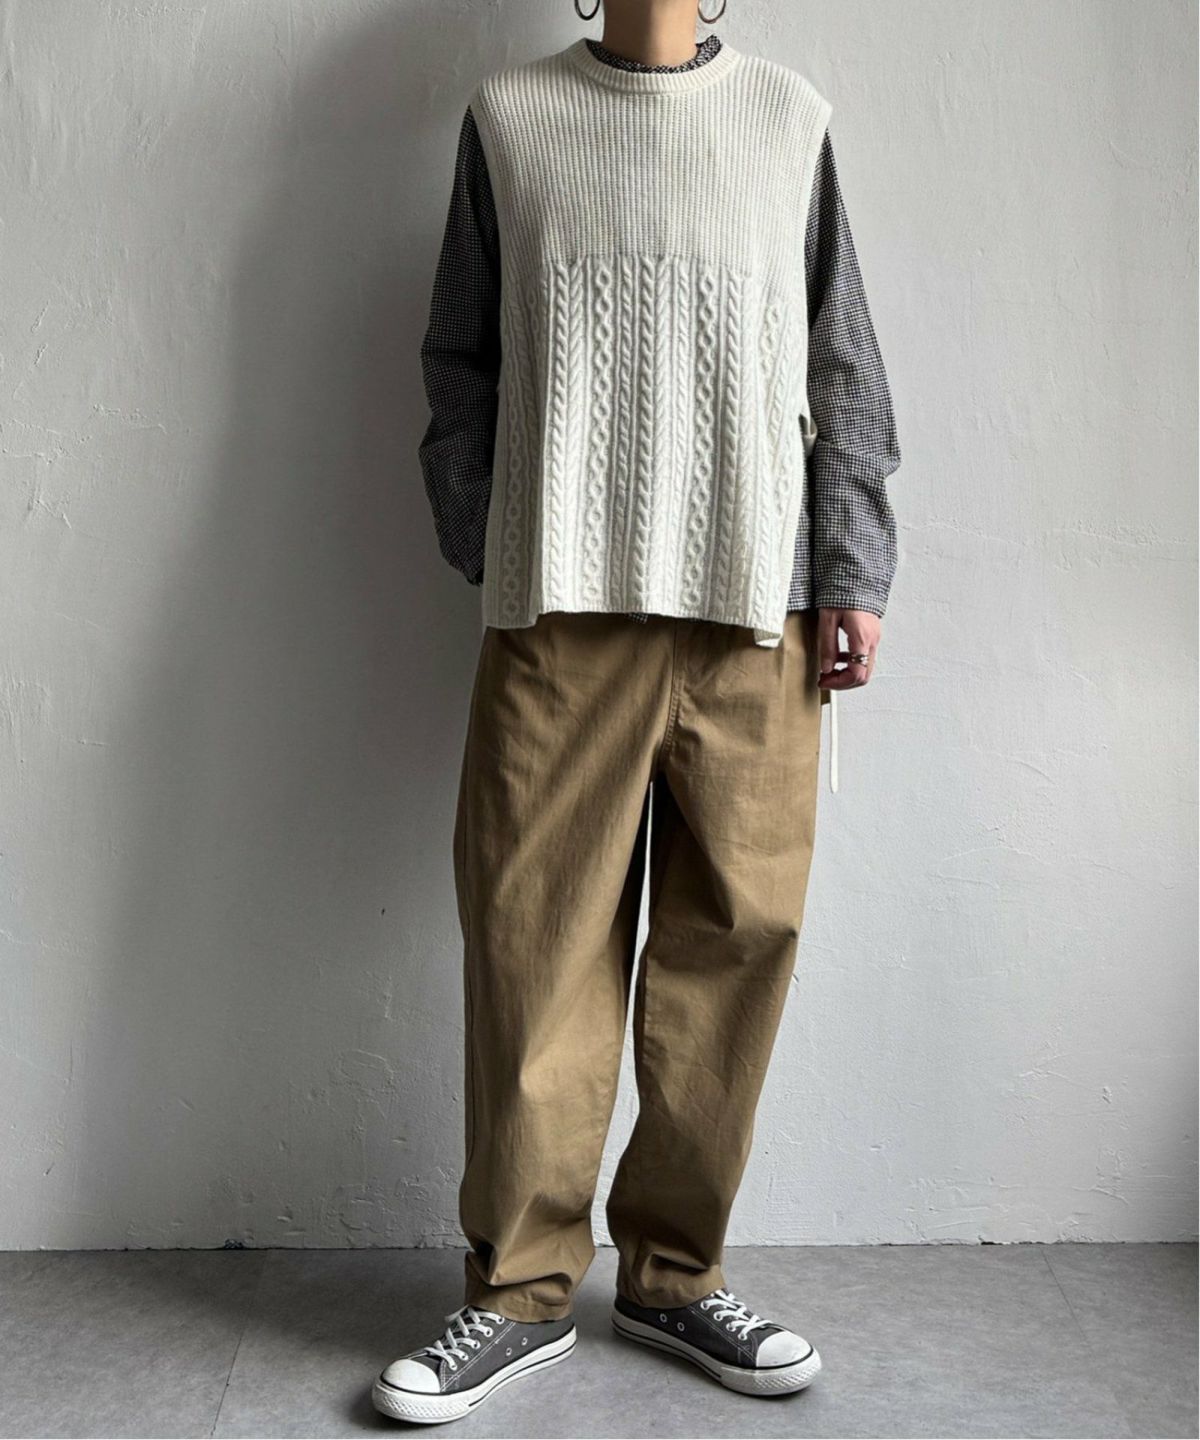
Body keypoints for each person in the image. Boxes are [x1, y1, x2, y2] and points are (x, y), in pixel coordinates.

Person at [373, 0, 900, 1424]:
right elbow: (458, 361)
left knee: (736, 942)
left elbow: (841, 363)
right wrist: (494, 536)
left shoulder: (788, 120)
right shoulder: (511, 119)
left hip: (755, 611)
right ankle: (518, 1291)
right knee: (533, 948)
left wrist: (851, 568)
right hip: (559, 613)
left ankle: (675, 1274)